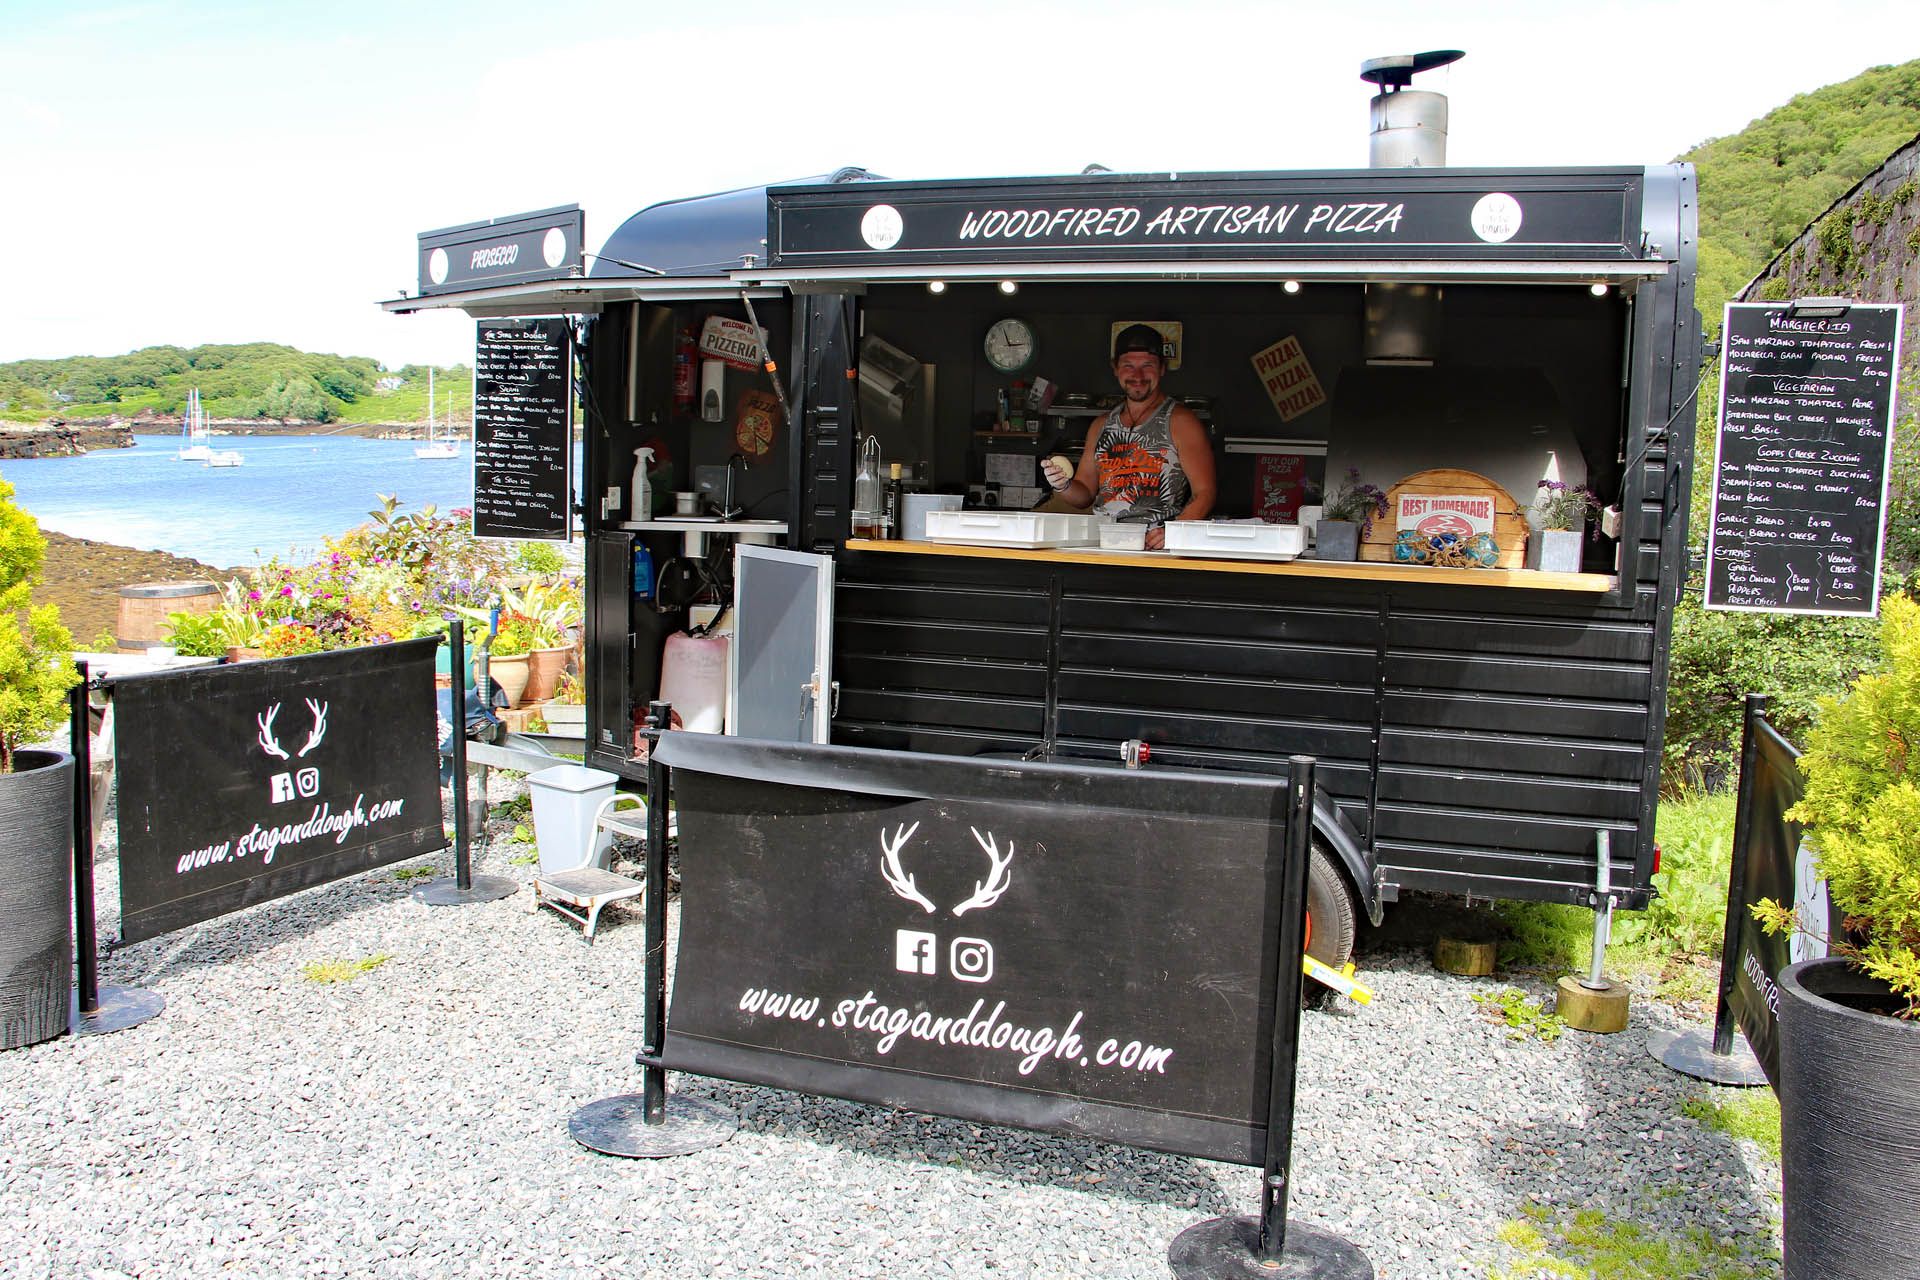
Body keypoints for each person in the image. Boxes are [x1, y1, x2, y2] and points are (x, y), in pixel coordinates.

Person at [1041, 323, 1215, 549]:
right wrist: (1062, 484)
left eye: (1147, 365)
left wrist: (1174, 532)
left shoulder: (1181, 422)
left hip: (1155, 549)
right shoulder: (1101, 425)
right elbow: (1084, 495)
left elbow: (1205, 492)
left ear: (1162, 368)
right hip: (1104, 544)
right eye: (1128, 365)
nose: (1137, 375)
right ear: (1115, 368)